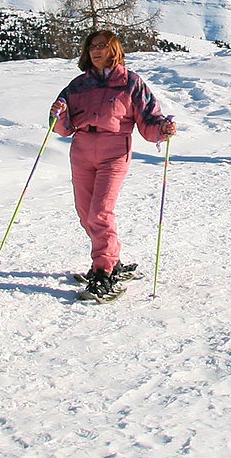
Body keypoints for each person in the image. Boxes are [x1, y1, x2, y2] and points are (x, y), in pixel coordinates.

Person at [48, 30, 177, 302]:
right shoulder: (77, 85)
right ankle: (111, 260)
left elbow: (149, 119)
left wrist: (163, 128)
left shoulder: (130, 83)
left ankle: (104, 271)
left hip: (114, 151)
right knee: (85, 213)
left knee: (100, 212)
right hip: (82, 150)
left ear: (114, 49)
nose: (96, 51)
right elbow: (63, 127)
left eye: (103, 46)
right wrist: (56, 114)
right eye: (92, 46)